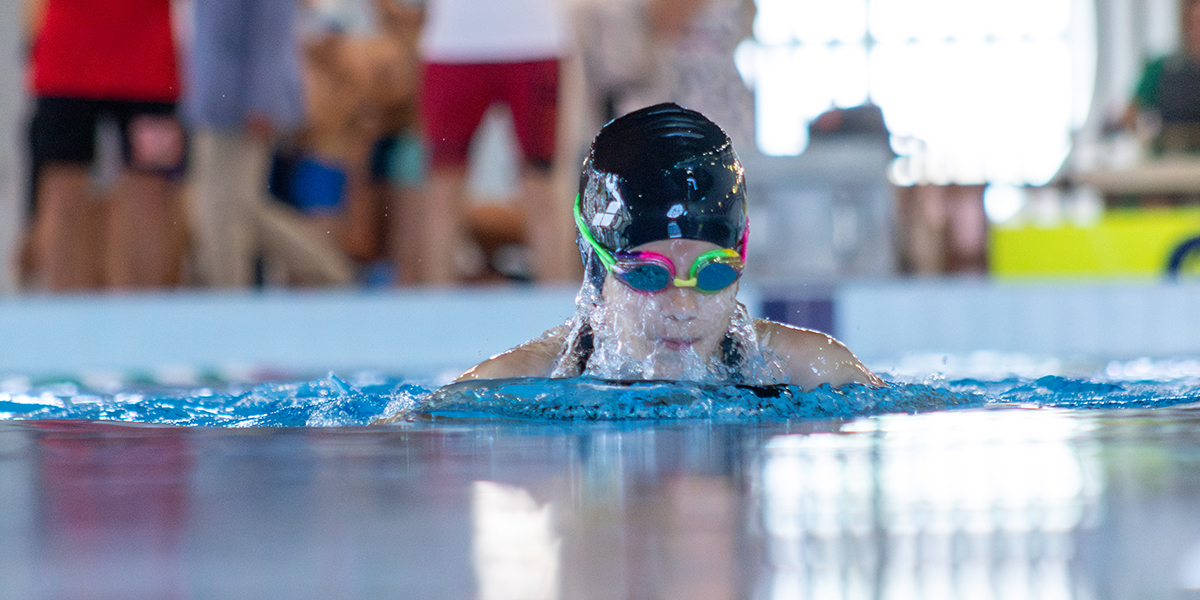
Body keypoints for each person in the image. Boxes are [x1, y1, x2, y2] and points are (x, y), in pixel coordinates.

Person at [457, 103, 882, 390]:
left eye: (713, 272)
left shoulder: (812, 369)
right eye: (648, 274)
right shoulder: (515, 386)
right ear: (596, 266)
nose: (683, 306)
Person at [24, 0, 186, 291]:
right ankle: (67, 315)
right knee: (67, 193)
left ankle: (135, 315)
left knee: (145, 193)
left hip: (141, 65)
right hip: (77, 63)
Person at [413, 0, 576, 285]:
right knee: (442, 189)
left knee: (543, 187)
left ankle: (560, 316)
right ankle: (436, 312)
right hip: (453, 44)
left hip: (534, 41)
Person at [1126, 0, 1200, 154]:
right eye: (1195, 23)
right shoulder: (1160, 67)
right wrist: (1145, 137)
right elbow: (1130, 114)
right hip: (1169, 157)